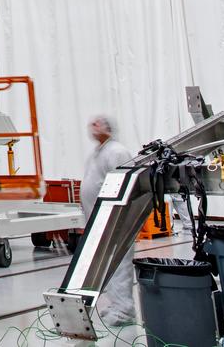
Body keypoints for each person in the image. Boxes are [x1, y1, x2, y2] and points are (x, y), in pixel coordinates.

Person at [81, 114, 138, 327]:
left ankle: (125, 311)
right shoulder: (99, 152)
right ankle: (117, 305)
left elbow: (124, 184)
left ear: (108, 128)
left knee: (119, 264)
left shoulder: (117, 152)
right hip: (100, 220)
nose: (92, 126)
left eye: (97, 123)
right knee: (107, 265)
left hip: (116, 220)